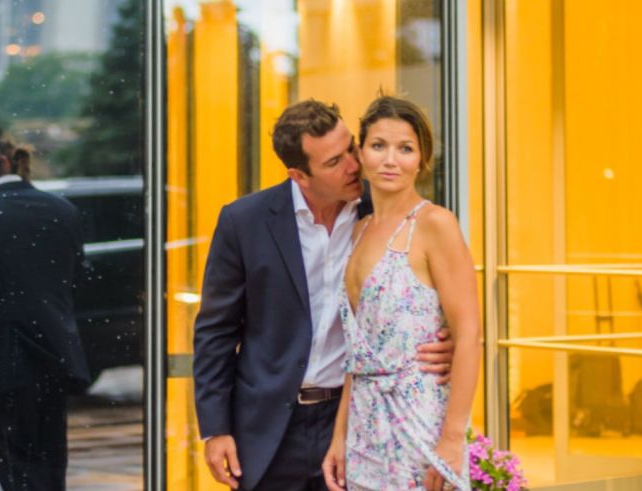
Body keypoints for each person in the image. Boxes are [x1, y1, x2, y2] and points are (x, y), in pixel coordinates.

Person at [193, 100, 455, 491]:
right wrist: (216, 429)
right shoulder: (243, 222)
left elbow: (422, 299)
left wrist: (442, 340)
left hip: (358, 418)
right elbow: (215, 332)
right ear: (299, 175)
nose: (353, 165)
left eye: (351, 148)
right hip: (269, 427)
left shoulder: (382, 213)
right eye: (334, 162)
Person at [322, 96, 480, 491]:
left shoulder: (435, 225)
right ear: (360, 153)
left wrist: (451, 438)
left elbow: (469, 336)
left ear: (421, 158)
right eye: (379, 146)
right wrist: (339, 437)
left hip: (420, 422)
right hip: (363, 426)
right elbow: (356, 355)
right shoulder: (357, 231)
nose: (390, 159)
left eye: (405, 148)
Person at [0, 139, 90, 490]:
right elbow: (76, 282)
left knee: (16, 472)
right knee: (49, 467)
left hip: (4, 365)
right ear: (5, 162)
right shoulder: (62, 209)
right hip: (56, 358)